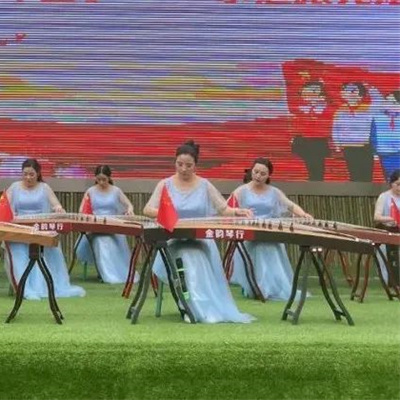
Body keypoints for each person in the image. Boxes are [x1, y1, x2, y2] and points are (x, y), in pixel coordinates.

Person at [143, 140, 254, 323]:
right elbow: (148, 210)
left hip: (200, 240)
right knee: (188, 257)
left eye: (189, 165)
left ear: (195, 165)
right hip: (174, 240)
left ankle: (202, 306)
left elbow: (223, 209)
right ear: (175, 162)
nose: (184, 169)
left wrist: (237, 211)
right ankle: (187, 307)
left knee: (196, 256)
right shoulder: (165, 184)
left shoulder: (204, 185)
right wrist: (168, 213)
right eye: (180, 164)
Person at [229, 158, 313, 300]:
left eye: (263, 174)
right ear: (251, 171)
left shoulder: (274, 192)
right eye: (256, 172)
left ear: (268, 176)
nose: (258, 176)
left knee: (271, 248)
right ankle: (256, 287)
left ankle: (272, 287)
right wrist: (239, 213)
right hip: (250, 232)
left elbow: (290, 205)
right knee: (259, 248)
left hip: (269, 231)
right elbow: (227, 208)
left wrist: (303, 214)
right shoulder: (241, 191)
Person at [4, 158, 85, 300]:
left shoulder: (44, 188)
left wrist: (58, 209)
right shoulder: (14, 187)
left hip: (40, 228)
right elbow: (7, 208)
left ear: (38, 173)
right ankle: (25, 287)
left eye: (31, 174)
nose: (28, 178)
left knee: (45, 247)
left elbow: (56, 205)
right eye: (25, 174)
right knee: (18, 251)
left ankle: (42, 286)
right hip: (19, 228)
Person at [75, 165, 137, 284]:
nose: (101, 182)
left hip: (112, 225)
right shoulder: (91, 191)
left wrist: (130, 210)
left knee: (105, 241)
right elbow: (82, 210)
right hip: (95, 226)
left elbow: (129, 205)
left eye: (104, 179)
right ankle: (105, 273)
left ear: (109, 178)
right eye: (99, 179)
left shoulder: (116, 191)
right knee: (100, 241)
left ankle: (110, 272)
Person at [331, 82, 374, 182]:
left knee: (366, 174)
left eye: (353, 91)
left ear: (361, 95)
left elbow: (373, 128)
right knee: (354, 174)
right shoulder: (340, 110)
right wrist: (337, 144)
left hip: (365, 147)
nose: (349, 93)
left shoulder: (368, 109)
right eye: (346, 90)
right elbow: (335, 128)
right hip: (348, 147)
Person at [373, 169, 400, 285]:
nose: (399, 188)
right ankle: (387, 283)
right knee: (384, 258)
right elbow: (376, 217)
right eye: (398, 184)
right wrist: (390, 219)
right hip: (386, 231)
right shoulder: (384, 197)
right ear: (391, 183)